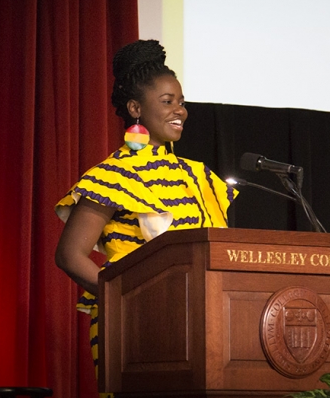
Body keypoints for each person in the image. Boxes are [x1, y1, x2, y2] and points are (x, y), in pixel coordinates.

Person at [54, 39, 237, 386]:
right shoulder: (114, 174)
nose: (179, 111)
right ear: (136, 108)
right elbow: (69, 254)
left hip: (205, 326)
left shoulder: (199, 176)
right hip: (137, 328)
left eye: (181, 102)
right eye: (167, 102)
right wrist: (129, 300)